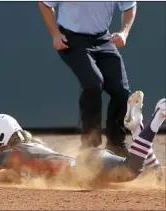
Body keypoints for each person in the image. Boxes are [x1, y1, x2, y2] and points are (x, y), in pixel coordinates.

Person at [0, 91, 165, 186]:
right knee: (155, 176)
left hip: (88, 165)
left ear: (1, 137)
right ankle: (136, 128)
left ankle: (158, 115)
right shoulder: (33, 146)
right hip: (89, 163)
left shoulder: (12, 155)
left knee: (131, 169)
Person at [38, 1, 137, 157]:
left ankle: (116, 144)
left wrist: (124, 32)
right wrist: (55, 34)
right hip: (71, 39)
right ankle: (90, 147)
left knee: (122, 92)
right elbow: (44, 4)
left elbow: (129, 6)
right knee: (93, 84)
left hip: (103, 39)